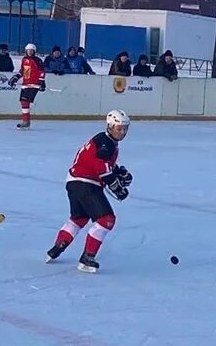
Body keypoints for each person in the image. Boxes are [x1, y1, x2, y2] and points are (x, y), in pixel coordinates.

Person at [45, 110, 132, 273]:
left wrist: (118, 171)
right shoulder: (106, 142)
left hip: (74, 182)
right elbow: (103, 170)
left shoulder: (104, 141)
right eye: (119, 128)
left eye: (125, 129)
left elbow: (103, 164)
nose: (123, 132)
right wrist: (117, 188)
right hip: (86, 183)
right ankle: (87, 258)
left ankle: (57, 247)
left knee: (79, 218)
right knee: (106, 219)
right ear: (110, 126)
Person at [8, 43, 46, 129]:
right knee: (23, 102)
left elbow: (41, 71)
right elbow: (23, 71)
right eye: (28, 50)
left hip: (34, 84)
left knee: (25, 101)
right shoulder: (24, 59)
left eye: (31, 51)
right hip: (26, 84)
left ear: (34, 51)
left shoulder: (37, 60)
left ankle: (26, 121)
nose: (30, 52)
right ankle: (26, 121)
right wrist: (15, 77)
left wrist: (42, 81)